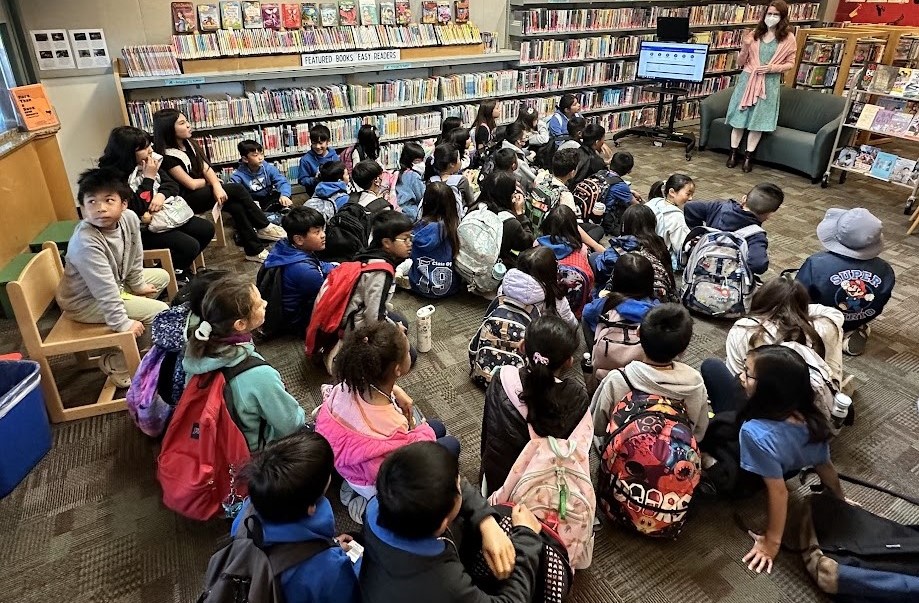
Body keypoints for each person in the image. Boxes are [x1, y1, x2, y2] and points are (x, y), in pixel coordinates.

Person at [359, 441, 545, 603]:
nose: (462, 483)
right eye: (457, 484)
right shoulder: (445, 582)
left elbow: (451, 487)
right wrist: (527, 536)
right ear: (442, 525)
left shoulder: (382, 503)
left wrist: (487, 522)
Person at [314, 322, 458, 522]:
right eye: (408, 352)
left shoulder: (347, 385)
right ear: (397, 369)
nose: (411, 354)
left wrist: (396, 391)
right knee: (449, 443)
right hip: (370, 480)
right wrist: (419, 429)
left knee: (439, 427)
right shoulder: (392, 424)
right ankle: (369, 502)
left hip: (346, 461)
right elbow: (410, 453)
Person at [733, 345, 843, 574]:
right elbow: (824, 464)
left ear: (769, 389)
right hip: (787, 467)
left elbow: (779, 492)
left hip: (752, 476)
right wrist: (839, 499)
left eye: (747, 373)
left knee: (712, 369)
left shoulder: (753, 432)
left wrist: (771, 544)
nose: (740, 376)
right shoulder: (813, 419)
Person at [56, 168, 171, 386]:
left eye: (109, 200)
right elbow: (104, 290)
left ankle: (138, 340)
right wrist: (122, 323)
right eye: (91, 202)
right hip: (85, 302)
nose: (100, 208)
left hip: (114, 285)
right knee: (159, 311)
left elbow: (135, 255)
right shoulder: (86, 243)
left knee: (161, 277)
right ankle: (121, 361)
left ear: (124, 204)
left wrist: (137, 284)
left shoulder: (128, 219)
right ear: (81, 209)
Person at [231, 430, 359, 603]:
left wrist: (332, 547)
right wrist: (337, 558)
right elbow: (347, 596)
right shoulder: (328, 568)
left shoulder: (245, 516)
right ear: (310, 508)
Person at [183, 273, 306, 450]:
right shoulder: (259, 375)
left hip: (213, 441)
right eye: (258, 304)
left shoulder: (196, 348)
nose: (265, 303)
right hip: (251, 454)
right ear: (240, 325)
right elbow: (291, 424)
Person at [152, 108, 284, 263]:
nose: (188, 125)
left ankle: (254, 250)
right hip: (184, 200)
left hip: (202, 192)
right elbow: (191, 184)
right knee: (236, 189)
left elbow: (205, 168)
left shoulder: (189, 144)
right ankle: (264, 225)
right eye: (182, 123)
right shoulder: (167, 155)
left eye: (187, 121)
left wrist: (216, 185)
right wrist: (212, 183)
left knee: (236, 206)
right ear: (168, 129)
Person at [479, 315, 589, 496]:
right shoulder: (577, 397)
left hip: (498, 482)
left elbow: (488, 430)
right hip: (545, 492)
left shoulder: (502, 379)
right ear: (569, 361)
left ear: (522, 346)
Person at [98, 126, 214, 277]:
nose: (150, 150)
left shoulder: (148, 162)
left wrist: (161, 195)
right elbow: (135, 207)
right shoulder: (112, 177)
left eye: (149, 145)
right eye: (144, 148)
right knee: (189, 246)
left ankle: (176, 269)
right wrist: (149, 178)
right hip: (138, 228)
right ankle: (166, 278)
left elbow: (171, 185)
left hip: (161, 216)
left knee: (206, 229)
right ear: (128, 152)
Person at [591, 303, 710, 443]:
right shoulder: (695, 385)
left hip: (621, 455)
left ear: (638, 332)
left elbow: (596, 427)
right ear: (683, 351)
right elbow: (699, 432)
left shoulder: (617, 380)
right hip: (675, 457)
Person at [796, 207, 895, 357]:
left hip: (821, 317)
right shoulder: (886, 270)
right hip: (860, 315)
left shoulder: (816, 263)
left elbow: (798, 294)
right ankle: (852, 330)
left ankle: (818, 335)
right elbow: (882, 299)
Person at [724, 0, 798, 172]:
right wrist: (745, 45)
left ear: (782, 17)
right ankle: (733, 153)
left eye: (776, 14)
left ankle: (748, 157)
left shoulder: (789, 38)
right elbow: (740, 62)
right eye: (769, 13)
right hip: (747, 80)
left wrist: (773, 68)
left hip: (769, 83)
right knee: (739, 118)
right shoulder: (755, 34)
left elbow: (790, 63)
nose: (771, 17)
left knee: (758, 121)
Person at [262, 207, 336, 334]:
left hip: (285, 308)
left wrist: (334, 267)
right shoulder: (305, 270)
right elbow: (325, 294)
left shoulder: (285, 245)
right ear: (299, 239)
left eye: (322, 230)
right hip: (296, 320)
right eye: (317, 232)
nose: (323, 235)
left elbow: (318, 264)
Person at [684, 182, 785, 275]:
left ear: (744, 198)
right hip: (729, 287)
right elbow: (758, 265)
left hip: (701, 271)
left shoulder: (718, 207)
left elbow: (690, 207)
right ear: (769, 215)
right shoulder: (755, 236)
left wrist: (700, 237)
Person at [346, 211, 416, 336]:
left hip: (355, 312)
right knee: (410, 353)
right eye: (405, 239)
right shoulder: (380, 272)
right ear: (387, 243)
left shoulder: (370, 253)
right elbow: (372, 318)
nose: (410, 243)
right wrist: (395, 329)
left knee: (403, 322)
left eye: (411, 237)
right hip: (355, 328)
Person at [582, 252, 659, 361]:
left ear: (616, 279)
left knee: (585, 318)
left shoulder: (605, 304)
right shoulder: (656, 309)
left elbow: (587, 312)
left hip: (609, 357)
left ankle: (594, 351)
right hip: (642, 360)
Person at [531, 148, 605, 248]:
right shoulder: (565, 195)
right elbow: (573, 226)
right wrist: (597, 246)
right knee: (597, 229)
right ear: (572, 172)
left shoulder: (541, 176)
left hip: (534, 225)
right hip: (551, 234)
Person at [498, 246, 578, 331]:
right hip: (535, 341)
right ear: (551, 272)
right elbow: (571, 324)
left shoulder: (505, 286)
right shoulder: (556, 301)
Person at [536, 205, 594, 316]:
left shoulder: (537, 245)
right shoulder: (582, 250)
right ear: (574, 228)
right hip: (571, 312)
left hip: (539, 306)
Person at [408, 182, 462, 298]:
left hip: (419, 286)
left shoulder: (418, 228)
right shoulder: (455, 228)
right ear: (452, 204)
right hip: (451, 287)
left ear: (425, 202)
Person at [477, 171, 534, 270]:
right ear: (508, 195)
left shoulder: (475, 208)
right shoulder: (510, 223)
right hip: (493, 269)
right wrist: (520, 214)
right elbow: (528, 243)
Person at [645, 174, 695, 270]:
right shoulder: (676, 216)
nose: (690, 198)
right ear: (672, 192)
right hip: (660, 258)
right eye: (688, 194)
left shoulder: (654, 202)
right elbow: (681, 246)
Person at [230, 139, 293, 210]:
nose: (260, 158)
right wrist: (249, 203)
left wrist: (284, 195)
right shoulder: (238, 175)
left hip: (267, 198)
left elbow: (282, 182)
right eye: (255, 155)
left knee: (284, 196)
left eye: (261, 154)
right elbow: (234, 193)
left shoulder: (268, 168)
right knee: (237, 206)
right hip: (251, 202)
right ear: (245, 159)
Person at [428, 143, 474, 216]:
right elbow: (471, 203)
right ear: (452, 164)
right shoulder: (462, 181)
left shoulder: (431, 181)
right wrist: (470, 184)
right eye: (459, 159)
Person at [298, 123, 342, 194]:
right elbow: (302, 180)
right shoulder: (305, 160)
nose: (317, 146)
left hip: (334, 191)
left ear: (328, 141)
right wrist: (315, 180)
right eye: (314, 143)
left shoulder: (334, 157)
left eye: (321, 143)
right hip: (316, 193)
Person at [500, 122, 539, 189]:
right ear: (518, 141)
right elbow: (532, 179)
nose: (526, 140)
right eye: (525, 138)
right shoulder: (516, 158)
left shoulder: (503, 150)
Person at [394, 142, 426, 221]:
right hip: (411, 214)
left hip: (398, 212)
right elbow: (422, 197)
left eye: (422, 160)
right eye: (417, 161)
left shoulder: (398, 173)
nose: (422, 164)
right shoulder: (413, 176)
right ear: (409, 161)